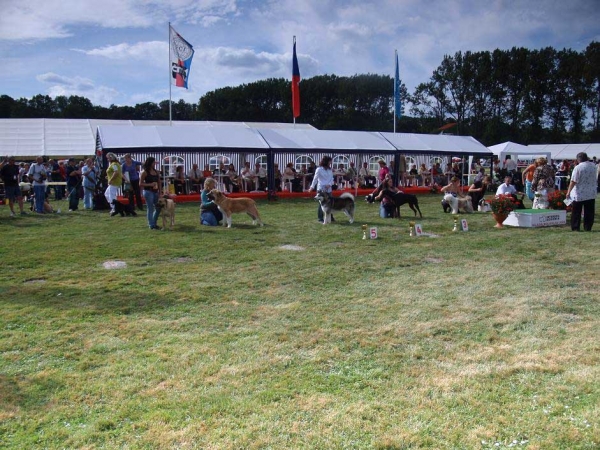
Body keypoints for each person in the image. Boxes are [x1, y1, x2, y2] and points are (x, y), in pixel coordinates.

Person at [566, 152, 597, 232]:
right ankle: (588, 227)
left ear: (578, 159)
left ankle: (576, 227)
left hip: (579, 193)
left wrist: (568, 192)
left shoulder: (578, 167)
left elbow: (573, 181)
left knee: (576, 212)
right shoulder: (593, 166)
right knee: (589, 212)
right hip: (591, 192)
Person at [308, 155, 334, 222]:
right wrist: (311, 187)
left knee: (330, 203)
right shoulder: (319, 169)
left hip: (329, 189)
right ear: (326, 161)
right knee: (321, 204)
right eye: (329, 161)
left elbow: (332, 178)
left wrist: (329, 184)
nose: (330, 163)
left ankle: (330, 217)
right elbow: (315, 179)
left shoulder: (330, 170)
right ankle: (320, 218)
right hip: (321, 189)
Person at [139, 157, 162, 230]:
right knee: (150, 208)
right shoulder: (144, 172)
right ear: (150, 163)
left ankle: (154, 222)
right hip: (148, 191)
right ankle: (151, 225)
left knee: (158, 207)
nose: (154, 164)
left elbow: (159, 182)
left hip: (155, 191)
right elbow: (140, 184)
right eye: (153, 162)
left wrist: (160, 192)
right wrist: (150, 184)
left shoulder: (156, 171)